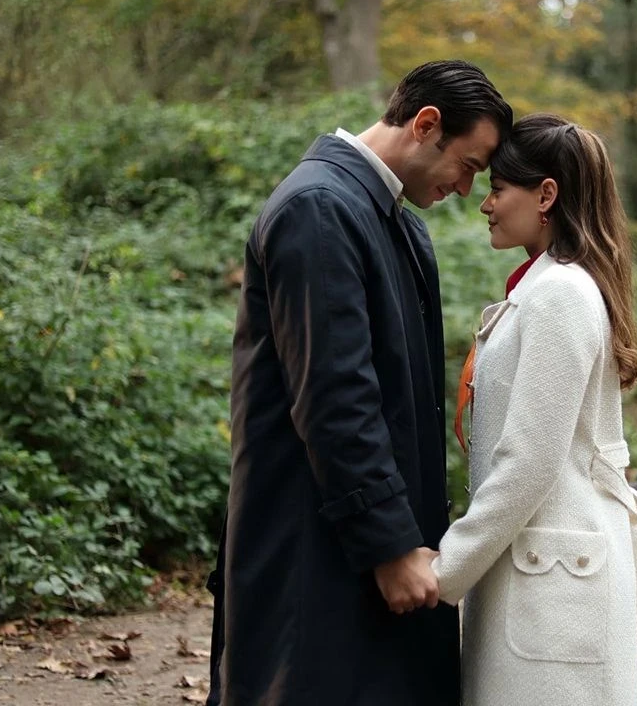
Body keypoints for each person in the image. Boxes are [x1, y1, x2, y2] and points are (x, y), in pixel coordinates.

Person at [205, 61, 512, 706]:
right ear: (426, 124)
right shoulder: (318, 209)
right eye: (468, 165)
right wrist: (390, 546)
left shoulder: (395, 222)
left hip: (363, 539)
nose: (467, 189)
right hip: (314, 542)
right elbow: (334, 396)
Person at [433, 113, 637, 706]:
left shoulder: (561, 295)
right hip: (543, 572)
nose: (485, 204)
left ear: (546, 195)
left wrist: (443, 572)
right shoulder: (547, 287)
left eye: (498, 189)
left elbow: (529, 463)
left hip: (552, 583)